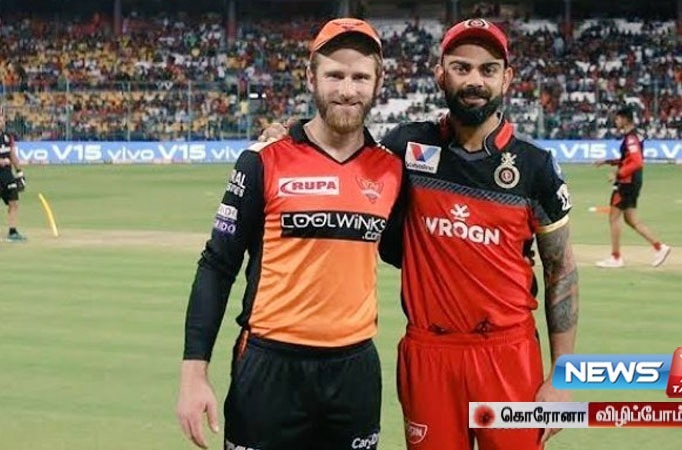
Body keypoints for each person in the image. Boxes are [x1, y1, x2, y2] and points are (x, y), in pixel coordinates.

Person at [260, 18, 579, 450]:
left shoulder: (535, 167)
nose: (474, 80)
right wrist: (291, 133)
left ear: (506, 78)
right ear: (440, 74)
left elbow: (561, 270)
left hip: (508, 353)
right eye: (461, 67)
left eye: (487, 70)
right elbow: (342, 145)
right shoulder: (407, 146)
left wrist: (562, 377)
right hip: (429, 353)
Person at [176, 18, 403, 450]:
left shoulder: (391, 168)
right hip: (270, 368)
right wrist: (193, 374)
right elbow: (217, 266)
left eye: (360, 77)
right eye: (334, 75)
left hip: (354, 371)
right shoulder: (263, 160)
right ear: (311, 77)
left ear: (378, 82)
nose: (347, 90)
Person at [594, 106, 671, 268]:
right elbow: (628, 159)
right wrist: (609, 161)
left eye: (617, 118)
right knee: (631, 219)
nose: (615, 121)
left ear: (624, 119)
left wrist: (618, 174)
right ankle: (660, 247)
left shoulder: (631, 138)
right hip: (632, 181)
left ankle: (616, 257)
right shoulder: (635, 136)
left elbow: (636, 162)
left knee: (614, 217)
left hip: (627, 182)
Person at [0, 113, 26, 241]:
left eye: (2, 117)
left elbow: (12, 155)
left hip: (7, 175)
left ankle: (13, 231)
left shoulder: (7, 136)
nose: (1, 120)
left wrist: (19, 172)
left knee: (13, 201)